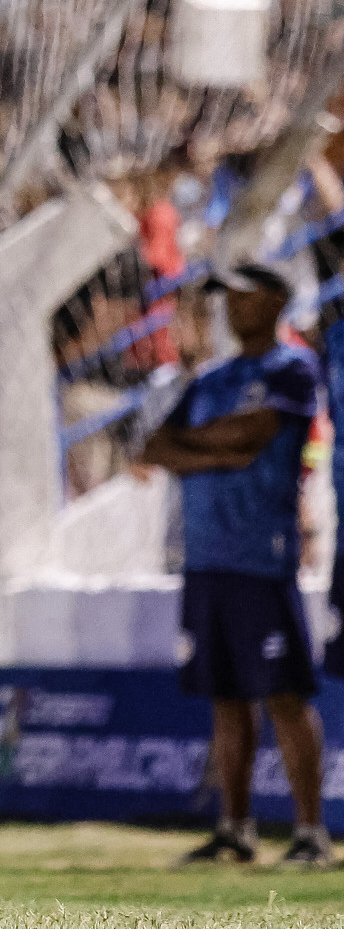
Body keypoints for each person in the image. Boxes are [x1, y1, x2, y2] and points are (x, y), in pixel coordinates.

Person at [140, 262, 332, 867]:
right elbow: (154, 447)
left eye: (243, 295)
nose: (231, 307)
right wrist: (220, 449)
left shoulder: (293, 368)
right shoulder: (210, 379)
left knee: (283, 694)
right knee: (225, 696)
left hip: (260, 555)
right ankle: (235, 827)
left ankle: (309, 832)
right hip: (206, 558)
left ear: (275, 299)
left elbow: (256, 435)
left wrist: (204, 449)